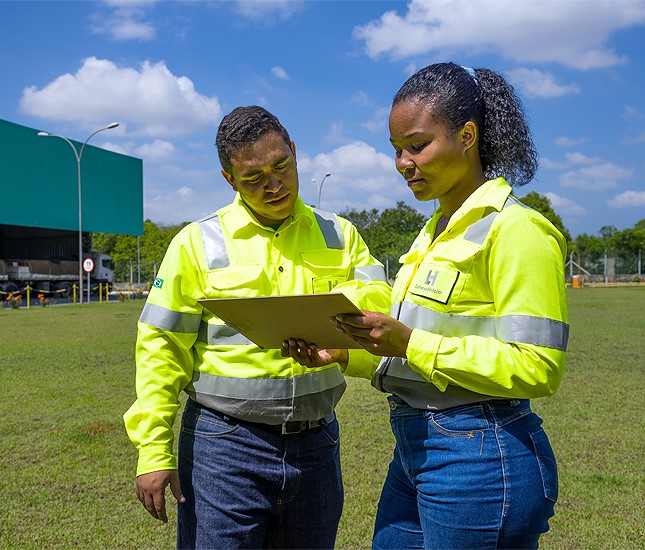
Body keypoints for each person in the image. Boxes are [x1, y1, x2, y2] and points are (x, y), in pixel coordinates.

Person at [123, 105, 391, 549]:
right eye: (253, 178)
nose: (274, 185)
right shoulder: (196, 244)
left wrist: (342, 345)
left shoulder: (340, 235)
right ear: (229, 179)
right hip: (223, 447)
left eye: (281, 166)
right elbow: (160, 347)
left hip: (317, 444)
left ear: (295, 152)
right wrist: (154, 449)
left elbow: (379, 311)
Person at [331, 62, 568, 548]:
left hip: (480, 452)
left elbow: (539, 368)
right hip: (416, 445)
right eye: (396, 150)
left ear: (466, 135)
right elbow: (415, 347)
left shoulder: (517, 231)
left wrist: (411, 341)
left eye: (417, 145)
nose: (403, 162)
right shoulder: (433, 233)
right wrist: (344, 352)